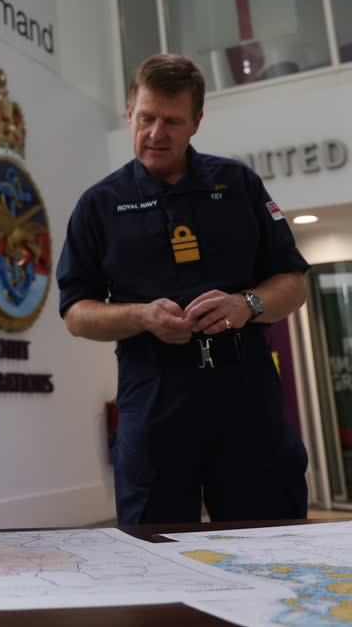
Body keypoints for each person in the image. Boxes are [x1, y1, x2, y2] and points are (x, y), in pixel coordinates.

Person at [56, 53, 309, 525]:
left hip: (245, 387)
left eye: (172, 121)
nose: (156, 134)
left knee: (271, 534)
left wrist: (247, 304)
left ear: (196, 121)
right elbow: (75, 312)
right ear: (129, 113)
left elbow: (292, 284)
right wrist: (141, 317)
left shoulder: (238, 185)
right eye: (147, 118)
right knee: (155, 545)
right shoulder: (99, 205)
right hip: (153, 391)